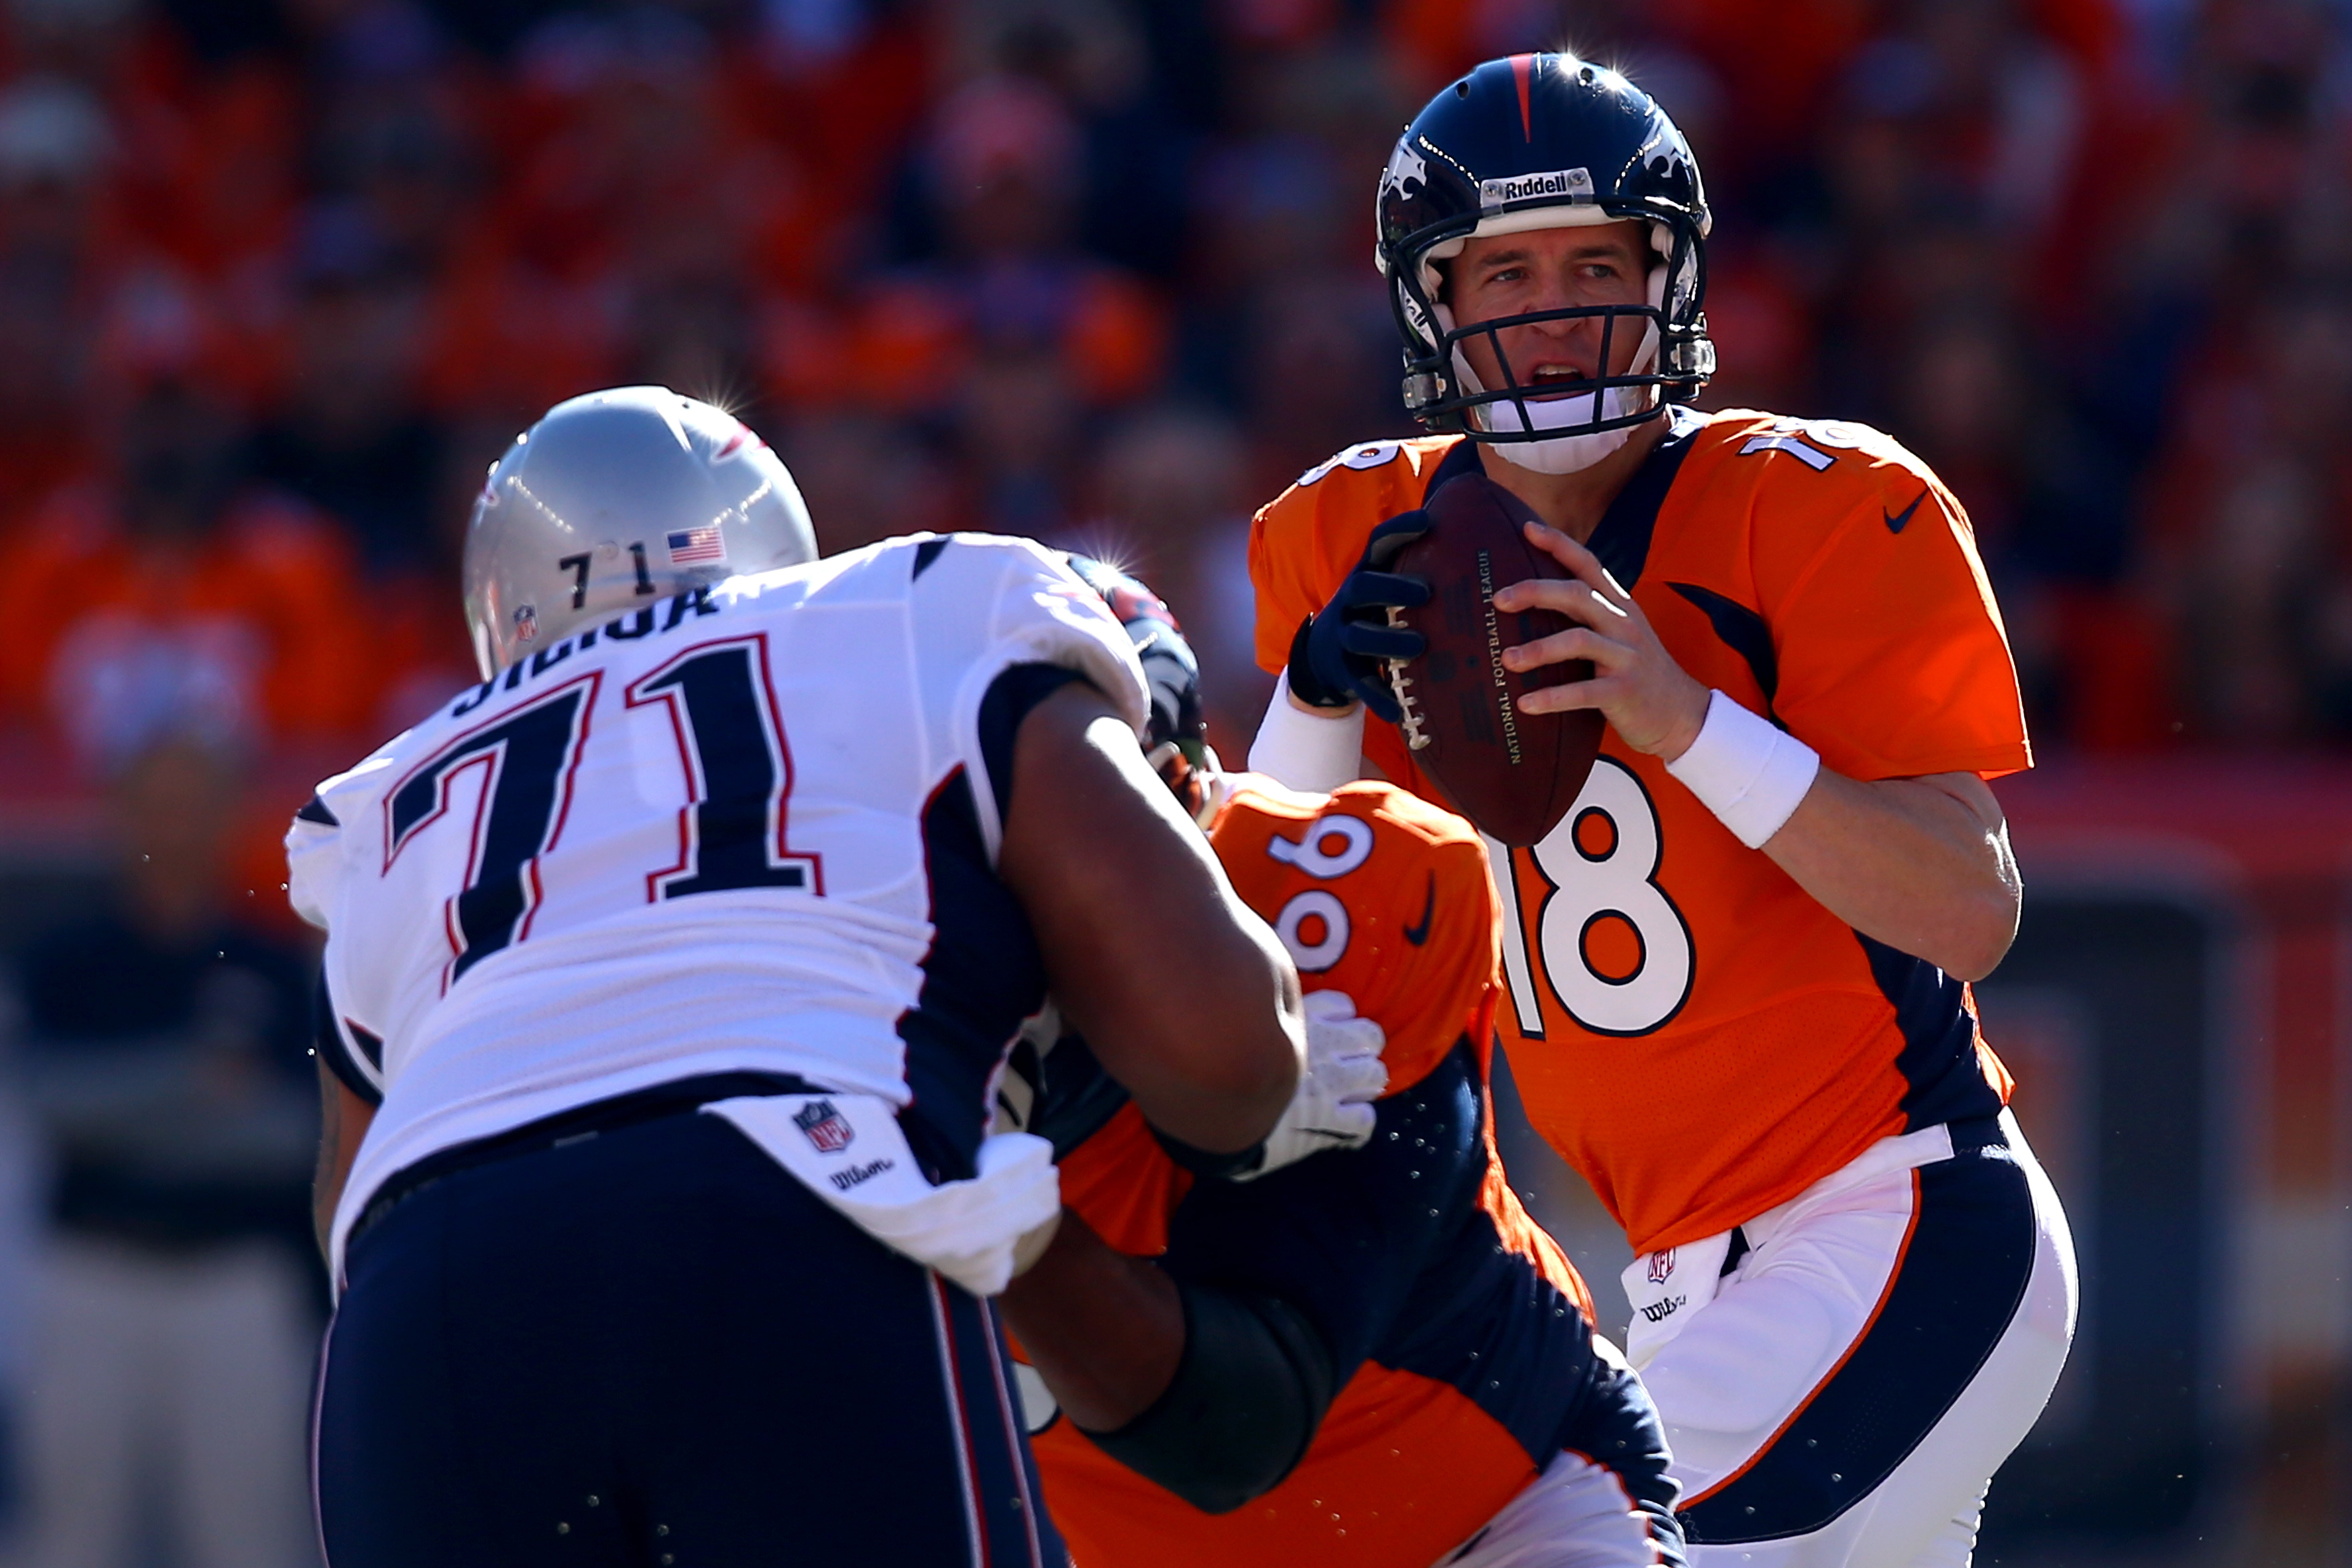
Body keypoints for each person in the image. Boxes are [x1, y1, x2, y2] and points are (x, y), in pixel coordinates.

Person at [1244, 55, 2076, 1568]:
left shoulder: (1817, 503)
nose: (1554, 309)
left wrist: (1683, 716)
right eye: (1507, 270)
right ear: (1436, 299)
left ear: (1667, 278)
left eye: (1593, 264)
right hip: (1667, 1278)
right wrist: (1308, 706)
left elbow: (1971, 910)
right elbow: (1276, 953)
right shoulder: (1352, 535)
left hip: (1893, 1220)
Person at [294, 386, 1320, 1567]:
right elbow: (1223, 1058)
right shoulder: (918, 603)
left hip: (420, 1322)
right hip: (786, 1194)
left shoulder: (391, 799)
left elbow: (355, 1206)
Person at [999, 557, 1685, 1568]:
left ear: (1187, 799)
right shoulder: (806, 985)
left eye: (1110, 829)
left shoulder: (1339, 902)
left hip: (1497, 1508)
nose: (1076, 888)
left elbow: (1234, 1424)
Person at [12, 732, 321, 1568]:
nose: (173, 826)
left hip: (236, 1284)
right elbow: (56, 1106)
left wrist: (138, 1109)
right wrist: (193, 1082)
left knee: (251, 1537)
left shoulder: (273, 960)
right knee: (70, 1534)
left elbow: (294, 1139)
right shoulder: (72, 957)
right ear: (117, 814)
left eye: (192, 803)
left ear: (228, 816)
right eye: (155, 803)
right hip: (95, 1277)